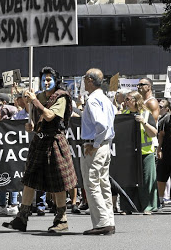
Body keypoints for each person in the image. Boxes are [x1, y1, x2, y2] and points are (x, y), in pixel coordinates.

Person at [3, 66, 77, 233]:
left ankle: (61, 218)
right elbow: (39, 120)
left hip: (55, 142)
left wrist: (35, 101)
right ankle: (22, 217)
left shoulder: (61, 97)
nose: (46, 82)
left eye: (49, 79)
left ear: (56, 81)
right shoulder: (40, 96)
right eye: (44, 79)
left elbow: (50, 116)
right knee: (29, 180)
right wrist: (32, 126)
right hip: (40, 141)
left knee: (59, 182)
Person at [79, 68, 116, 235]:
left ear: (89, 80)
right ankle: (108, 220)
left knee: (92, 184)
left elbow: (101, 125)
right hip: (105, 146)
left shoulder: (93, 100)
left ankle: (102, 222)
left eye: (84, 79)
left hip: (96, 147)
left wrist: (95, 143)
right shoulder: (105, 99)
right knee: (103, 184)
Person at [122, 91, 158, 214]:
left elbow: (153, 133)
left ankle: (149, 206)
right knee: (128, 180)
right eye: (125, 99)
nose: (125, 102)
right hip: (129, 153)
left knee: (147, 180)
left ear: (136, 101)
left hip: (145, 152)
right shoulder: (124, 114)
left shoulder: (146, 114)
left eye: (128, 99)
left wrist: (144, 122)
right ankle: (128, 207)